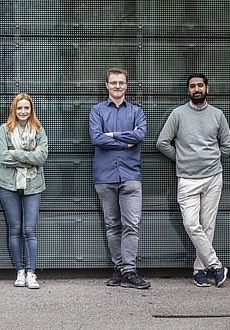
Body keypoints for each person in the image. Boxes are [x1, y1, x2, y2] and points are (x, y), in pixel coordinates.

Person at [156, 73, 230, 287]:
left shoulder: (217, 115)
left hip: (213, 177)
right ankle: (216, 265)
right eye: (192, 86)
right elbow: (162, 143)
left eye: (200, 85)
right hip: (187, 180)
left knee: (207, 226)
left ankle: (199, 270)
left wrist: (209, 157)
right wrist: (183, 159)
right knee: (191, 224)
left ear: (207, 88)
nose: (196, 89)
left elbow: (228, 147)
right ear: (188, 90)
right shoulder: (178, 114)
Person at [89, 68, 150, 289]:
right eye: (113, 82)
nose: (117, 86)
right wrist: (126, 140)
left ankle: (129, 271)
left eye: (121, 82)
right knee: (113, 225)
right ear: (106, 85)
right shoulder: (97, 111)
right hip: (105, 176)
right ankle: (118, 269)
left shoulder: (137, 111)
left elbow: (140, 135)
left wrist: (112, 135)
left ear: (126, 85)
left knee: (131, 224)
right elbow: (96, 138)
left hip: (130, 175)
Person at [0, 93, 48, 289]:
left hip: (33, 185)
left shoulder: (39, 130)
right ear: (13, 110)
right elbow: (3, 159)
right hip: (8, 185)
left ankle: (32, 273)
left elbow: (42, 159)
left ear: (31, 110)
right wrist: (30, 154)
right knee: (14, 230)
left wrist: (15, 153)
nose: (23, 111)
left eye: (26, 108)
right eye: (19, 108)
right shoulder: (4, 130)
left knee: (29, 230)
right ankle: (20, 271)